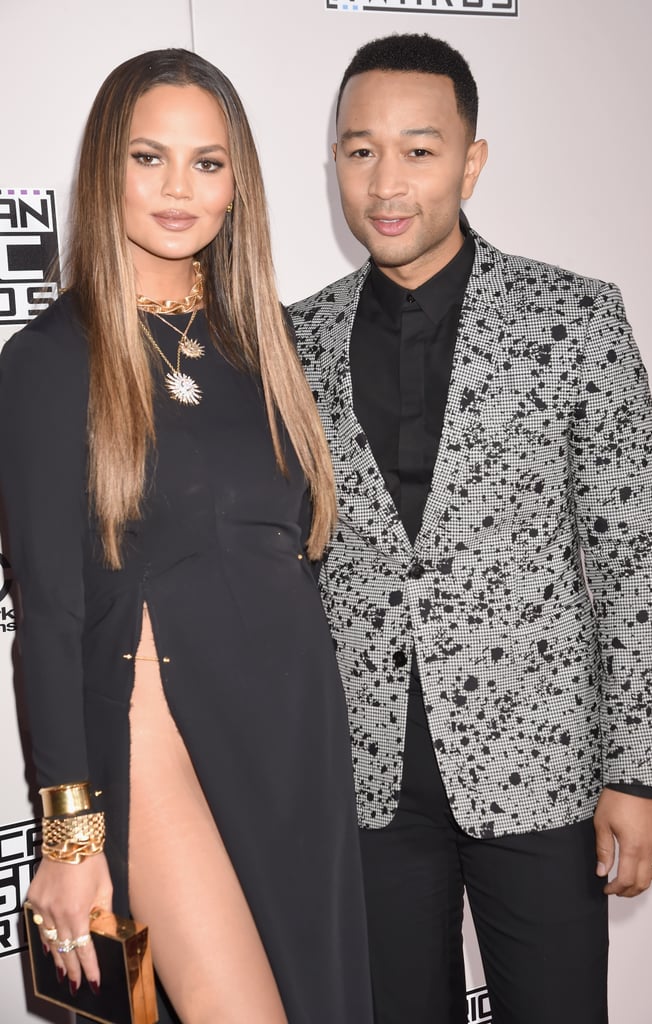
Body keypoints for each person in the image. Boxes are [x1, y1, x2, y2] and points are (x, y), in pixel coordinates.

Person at [289, 32, 652, 1024]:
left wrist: (637, 773)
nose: (384, 180)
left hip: (543, 772)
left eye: (417, 149)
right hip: (364, 779)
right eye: (358, 148)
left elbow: (627, 551)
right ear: (334, 160)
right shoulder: (292, 339)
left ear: (470, 160)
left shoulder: (574, 317)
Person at [0, 48, 374, 1024]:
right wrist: (71, 834)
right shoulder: (49, 361)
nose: (179, 188)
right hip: (154, 729)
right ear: (102, 171)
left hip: (293, 733)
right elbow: (45, 612)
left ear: (237, 181)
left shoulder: (271, 347)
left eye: (208, 163)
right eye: (148, 157)